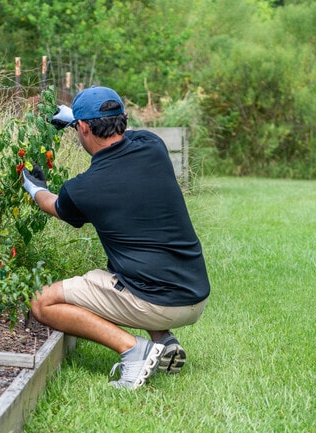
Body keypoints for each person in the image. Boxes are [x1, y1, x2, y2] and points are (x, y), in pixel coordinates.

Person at [22, 86, 210, 389]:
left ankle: (134, 350)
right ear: (121, 119)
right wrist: (77, 118)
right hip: (195, 293)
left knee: (43, 302)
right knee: (123, 265)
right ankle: (164, 340)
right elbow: (127, 132)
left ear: (83, 128)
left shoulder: (84, 188)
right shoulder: (153, 146)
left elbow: (52, 204)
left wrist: (33, 186)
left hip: (158, 301)